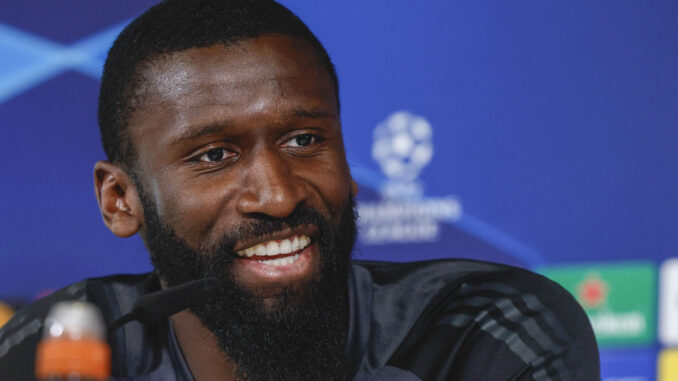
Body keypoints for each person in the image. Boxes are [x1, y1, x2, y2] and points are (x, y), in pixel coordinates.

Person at [0, 1, 600, 380]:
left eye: (304, 140)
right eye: (214, 155)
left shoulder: (482, 331)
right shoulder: (64, 346)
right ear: (119, 200)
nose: (279, 195)